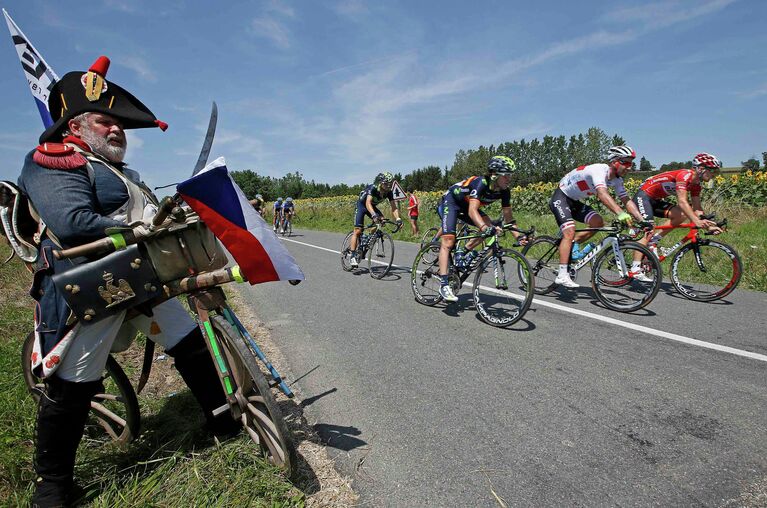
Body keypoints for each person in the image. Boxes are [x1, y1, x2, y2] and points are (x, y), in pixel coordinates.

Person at [17, 56, 237, 507]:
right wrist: (132, 231)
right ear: (76, 127)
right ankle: (52, 487)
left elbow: (146, 219)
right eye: (106, 120)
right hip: (91, 284)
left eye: (119, 123)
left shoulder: (121, 172)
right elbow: (74, 222)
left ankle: (221, 420)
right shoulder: (53, 160)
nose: (117, 129)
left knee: (189, 341)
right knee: (75, 383)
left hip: (143, 275)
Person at [548, 145, 644, 288]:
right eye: (626, 162)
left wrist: (642, 220)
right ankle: (562, 275)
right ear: (614, 162)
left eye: (631, 163)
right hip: (561, 197)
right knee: (569, 230)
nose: (629, 167)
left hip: (574, 201)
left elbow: (627, 201)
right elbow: (602, 194)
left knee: (598, 222)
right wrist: (621, 213)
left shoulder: (617, 181)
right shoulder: (598, 170)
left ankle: (570, 245)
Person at [435, 156, 523, 302]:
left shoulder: (505, 191)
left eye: (510, 175)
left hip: (467, 206)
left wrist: (519, 236)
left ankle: (463, 251)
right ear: (494, 175)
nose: (509, 179)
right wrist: (484, 227)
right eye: (506, 175)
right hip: (451, 203)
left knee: (490, 227)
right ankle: (444, 285)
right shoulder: (480, 183)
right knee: (449, 241)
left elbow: (509, 219)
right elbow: (472, 211)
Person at [631, 152, 723, 264]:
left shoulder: (696, 184)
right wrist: (696, 221)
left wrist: (707, 226)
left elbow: (697, 209)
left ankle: (654, 240)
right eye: (712, 171)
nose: (714, 175)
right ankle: (635, 268)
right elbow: (682, 202)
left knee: (682, 215)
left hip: (656, 200)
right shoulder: (685, 175)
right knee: (648, 230)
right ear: (701, 169)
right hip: (643, 196)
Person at [349, 172, 402, 268]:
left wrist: (398, 219)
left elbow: (394, 207)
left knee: (382, 221)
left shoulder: (389, 192)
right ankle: (352, 255)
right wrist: (373, 215)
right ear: (380, 183)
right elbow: (368, 203)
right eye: (386, 183)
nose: (388, 186)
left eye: (390, 183)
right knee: (357, 231)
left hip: (371, 206)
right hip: (362, 206)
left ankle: (368, 238)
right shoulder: (373, 188)